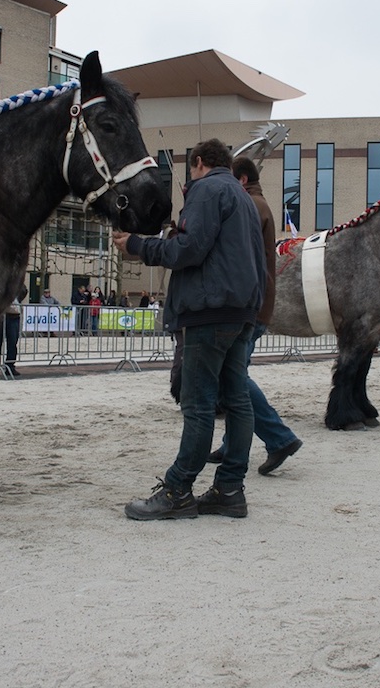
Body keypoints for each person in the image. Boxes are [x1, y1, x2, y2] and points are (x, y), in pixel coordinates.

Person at [114, 138, 266, 520]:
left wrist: (138, 245)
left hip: (207, 311)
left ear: (198, 162)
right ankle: (229, 489)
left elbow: (189, 249)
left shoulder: (206, 189)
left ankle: (178, 490)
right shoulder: (244, 197)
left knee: (197, 406)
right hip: (241, 311)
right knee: (237, 402)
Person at [205, 156, 303, 475]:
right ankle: (233, 443)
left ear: (242, 180)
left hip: (249, 306)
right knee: (233, 376)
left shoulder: (250, 206)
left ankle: (280, 438)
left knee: (233, 378)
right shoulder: (256, 204)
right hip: (256, 303)